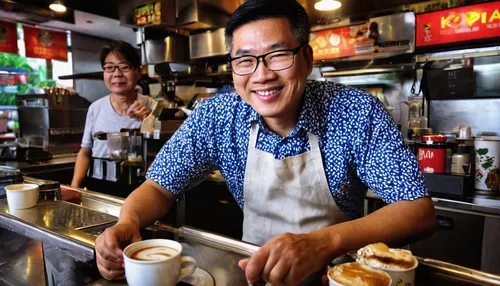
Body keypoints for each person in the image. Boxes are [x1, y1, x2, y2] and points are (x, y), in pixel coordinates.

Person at [95, 1, 436, 285]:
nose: (261, 75)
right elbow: (159, 187)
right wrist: (128, 221)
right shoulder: (218, 115)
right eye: (245, 60)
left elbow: (417, 212)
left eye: (277, 55)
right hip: (253, 272)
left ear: (306, 59)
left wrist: (321, 243)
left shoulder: (355, 112)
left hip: (339, 275)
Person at [71, 41, 155, 190]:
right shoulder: (95, 108)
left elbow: (168, 152)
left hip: (140, 188)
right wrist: (75, 187)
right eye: (109, 67)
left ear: (138, 71)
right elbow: (85, 152)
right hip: (98, 184)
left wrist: (150, 123)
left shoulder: (153, 108)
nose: (116, 74)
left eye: (124, 67)